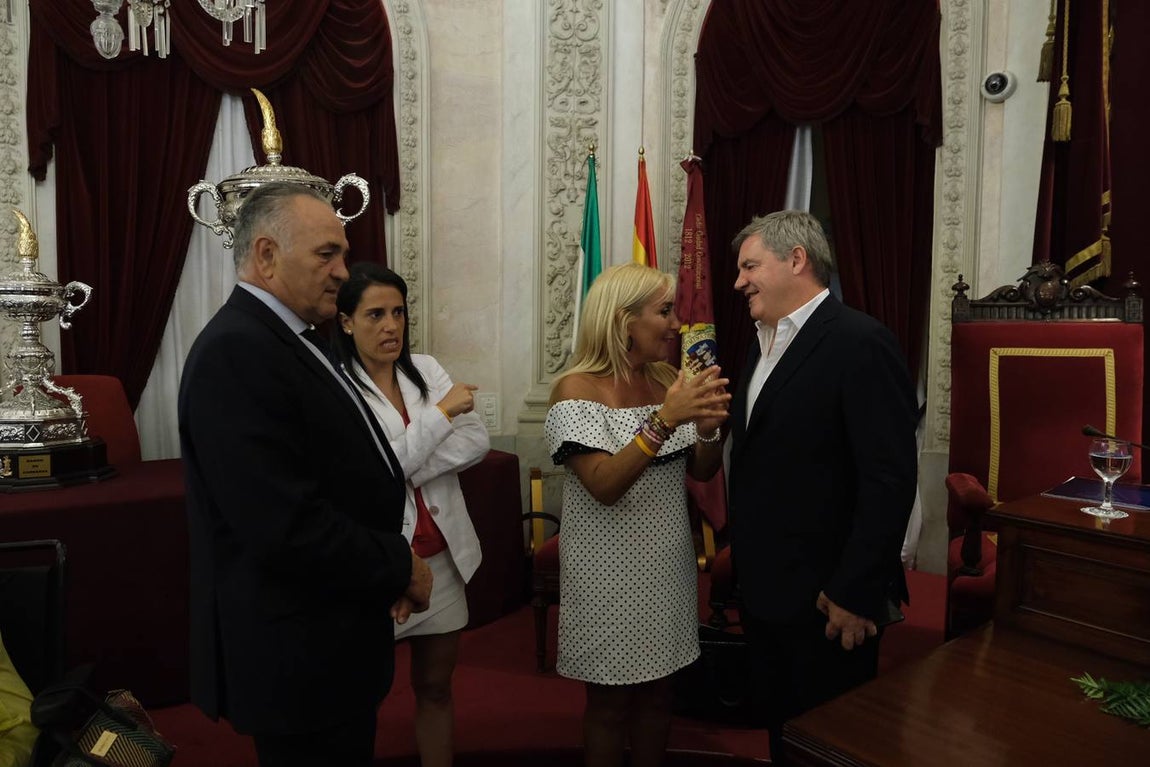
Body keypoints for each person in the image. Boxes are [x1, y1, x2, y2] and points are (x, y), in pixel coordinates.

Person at [179, 182, 432, 767]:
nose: (344, 271)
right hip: (297, 651)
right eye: (327, 254)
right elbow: (281, 525)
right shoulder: (237, 351)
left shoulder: (290, 337)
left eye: (343, 254)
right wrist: (397, 565)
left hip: (329, 635)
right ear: (266, 255)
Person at [726, 211, 918, 764]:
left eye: (749, 266)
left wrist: (855, 591)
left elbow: (888, 480)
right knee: (783, 736)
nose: (739, 281)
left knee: (834, 746)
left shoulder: (861, 341)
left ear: (796, 260)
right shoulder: (758, 343)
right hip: (766, 595)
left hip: (830, 601)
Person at [544, 263, 731, 767]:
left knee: (659, 697)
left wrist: (711, 427)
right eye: (664, 312)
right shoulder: (576, 389)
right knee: (608, 703)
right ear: (623, 320)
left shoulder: (669, 379)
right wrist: (667, 418)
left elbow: (704, 470)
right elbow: (605, 485)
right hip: (605, 574)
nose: (676, 325)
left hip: (667, 567)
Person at [333, 262, 489, 766]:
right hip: (378, 566)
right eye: (375, 314)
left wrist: (398, 466)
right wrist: (440, 416)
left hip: (441, 557)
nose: (391, 326)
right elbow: (363, 474)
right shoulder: (336, 385)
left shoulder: (425, 367)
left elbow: (477, 441)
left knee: (437, 688)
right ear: (346, 322)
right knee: (358, 699)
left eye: (398, 312)